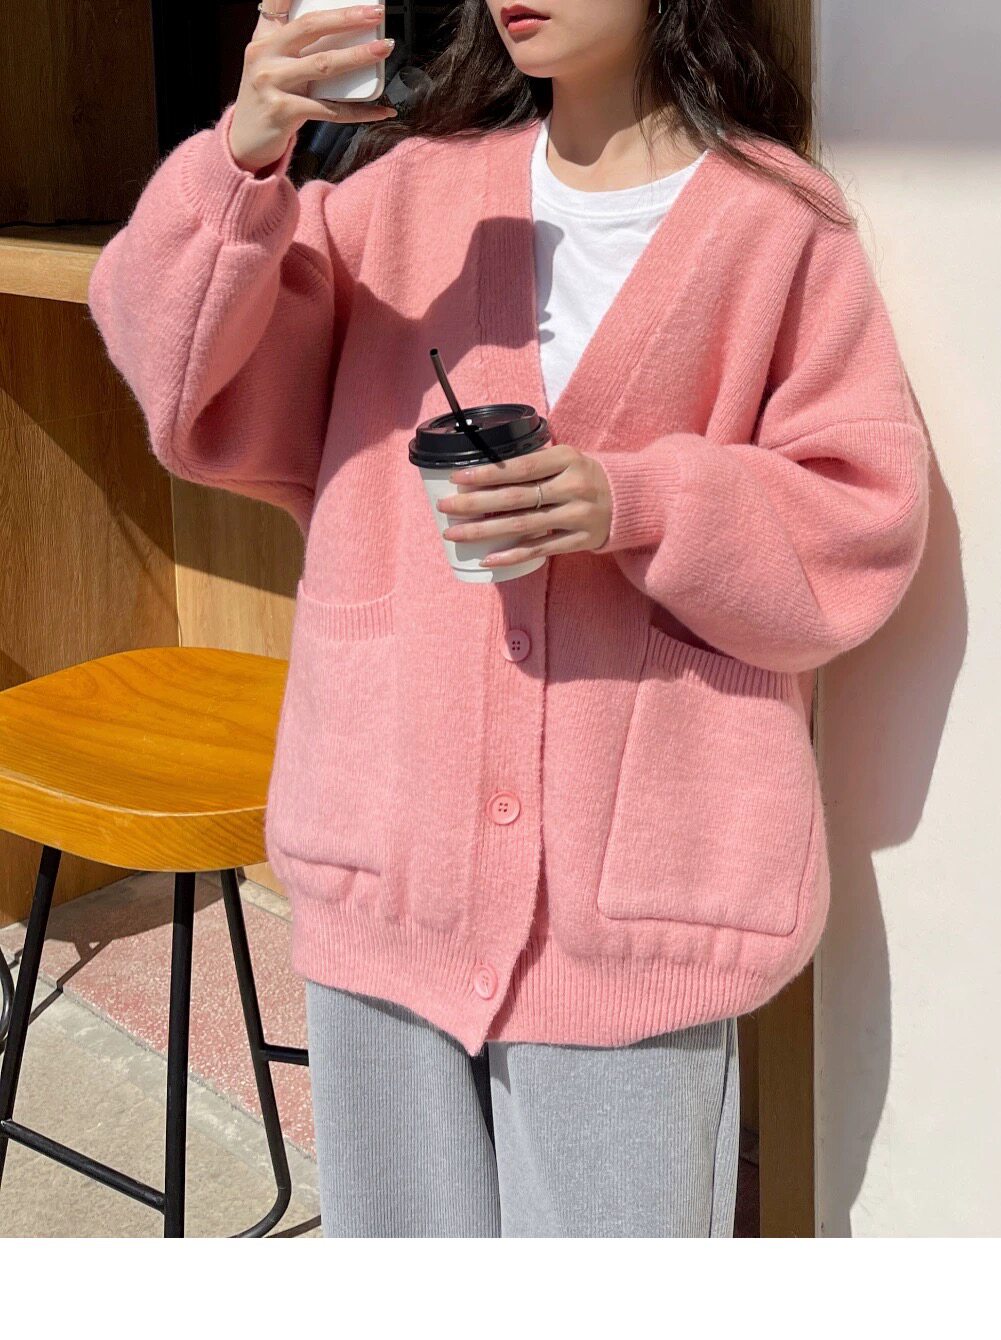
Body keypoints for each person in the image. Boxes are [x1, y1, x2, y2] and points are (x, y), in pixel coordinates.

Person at [86, 0, 931, 1237]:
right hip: (391, 844)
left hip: (632, 898)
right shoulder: (406, 199)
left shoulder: (776, 225)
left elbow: (858, 519)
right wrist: (243, 153)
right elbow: (179, 378)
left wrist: (635, 500)